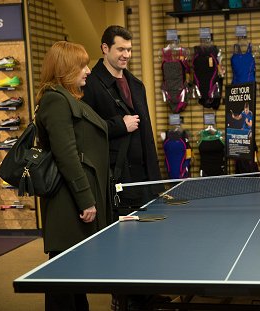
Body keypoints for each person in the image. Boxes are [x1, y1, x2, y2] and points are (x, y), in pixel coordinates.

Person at [35, 41, 111, 311]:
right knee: (63, 280)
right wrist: (85, 200)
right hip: (68, 202)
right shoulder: (55, 100)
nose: (89, 71)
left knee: (73, 277)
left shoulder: (67, 98)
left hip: (75, 199)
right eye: (82, 65)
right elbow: (66, 154)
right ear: (66, 68)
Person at [82, 25, 162, 217]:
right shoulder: (89, 85)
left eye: (129, 49)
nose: (126, 54)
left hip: (143, 180)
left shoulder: (136, 85)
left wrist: (156, 182)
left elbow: (147, 136)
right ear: (105, 48)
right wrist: (120, 126)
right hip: (114, 181)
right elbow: (85, 132)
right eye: (120, 49)